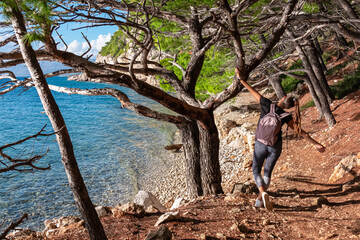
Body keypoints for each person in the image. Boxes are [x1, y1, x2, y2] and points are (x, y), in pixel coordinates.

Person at [235, 68, 325, 211]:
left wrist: (241, 79)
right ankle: (259, 201)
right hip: (274, 146)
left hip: (260, 143)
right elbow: (301, 132)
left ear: (282, 99)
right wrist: (316, 144)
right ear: (289, 107)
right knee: (268, 172)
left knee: (256, 170)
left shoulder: (266, 104)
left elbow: (252, 91)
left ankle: (262, 192)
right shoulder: (286, 116)